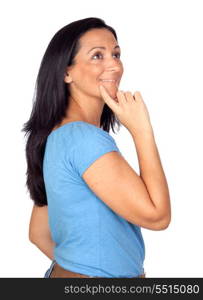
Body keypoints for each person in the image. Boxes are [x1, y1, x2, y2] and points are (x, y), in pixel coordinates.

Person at [22, 17, 171, 278]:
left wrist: (76, 269)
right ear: (66, 72)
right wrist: (141, 130)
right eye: (97, 56)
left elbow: (38, 233)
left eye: (116, 54)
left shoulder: (59, 136)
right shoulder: (83, 139)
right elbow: (157, 216)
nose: (114, 64)